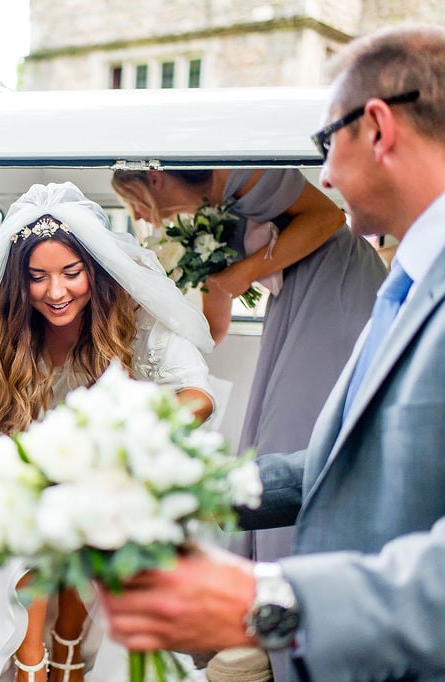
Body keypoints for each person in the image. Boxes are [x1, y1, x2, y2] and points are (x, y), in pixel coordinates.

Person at [100, 24, 445, 681]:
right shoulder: (403, 288)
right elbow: (346, 460)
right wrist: (191, 487)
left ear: (377, 128)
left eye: (325, 143)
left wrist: (269, 601)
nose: (322, 173)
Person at [0, 182, 215, 682]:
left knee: (93, 517)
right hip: (27, 471)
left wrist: (124, 448)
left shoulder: (138, 321)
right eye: (37, 277)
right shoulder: (1, 333)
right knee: (19, 520)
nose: (55, 292)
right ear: (18, 282)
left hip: (111, 472)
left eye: (71, 274)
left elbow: (197, 397)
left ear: (95, 271)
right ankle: (31, 664)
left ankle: (68, 646)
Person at [111, 156, 386, 642]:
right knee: (271, 429)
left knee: (300, 425)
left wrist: (241, 274)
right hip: (294, 301)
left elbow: (328, 218)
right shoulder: (198, 225)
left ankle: (303, 589)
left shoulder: (243, 175)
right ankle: (267, 589)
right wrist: (172, 363)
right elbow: (213, 323)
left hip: (338, 287)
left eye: (136, 202)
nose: (142, 217)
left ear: (155, 178)